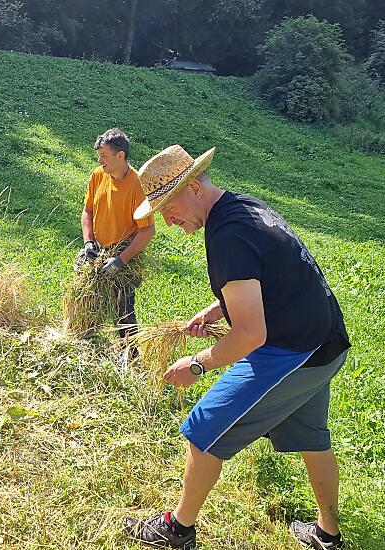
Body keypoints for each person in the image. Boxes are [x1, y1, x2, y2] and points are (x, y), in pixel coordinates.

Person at [123, 144, 350, 550]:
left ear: (194, 188)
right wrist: (219, 309)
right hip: (326, 339)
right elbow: (266, 277)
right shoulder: (242, 206)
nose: (168, 221)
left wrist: (196, 364)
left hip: (294, 351)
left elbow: (250, 335)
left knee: (204, 429)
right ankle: (327, 535)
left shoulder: (228, 237)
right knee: (311, 436)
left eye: (168, 208)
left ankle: (177, 530)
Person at [76, 128, 155, 351]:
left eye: (104, 156)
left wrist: (120, 261)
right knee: (85, 300)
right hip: (97, 249)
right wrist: (88, 242)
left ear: (120, 156)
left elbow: (147, 230)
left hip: (123, 253)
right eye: (99, 156)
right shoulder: (98, 175)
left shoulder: (138, 185)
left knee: (123, 312)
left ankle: (130, 358)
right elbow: (87, 211)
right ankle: (84, 348)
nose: (99, 161)